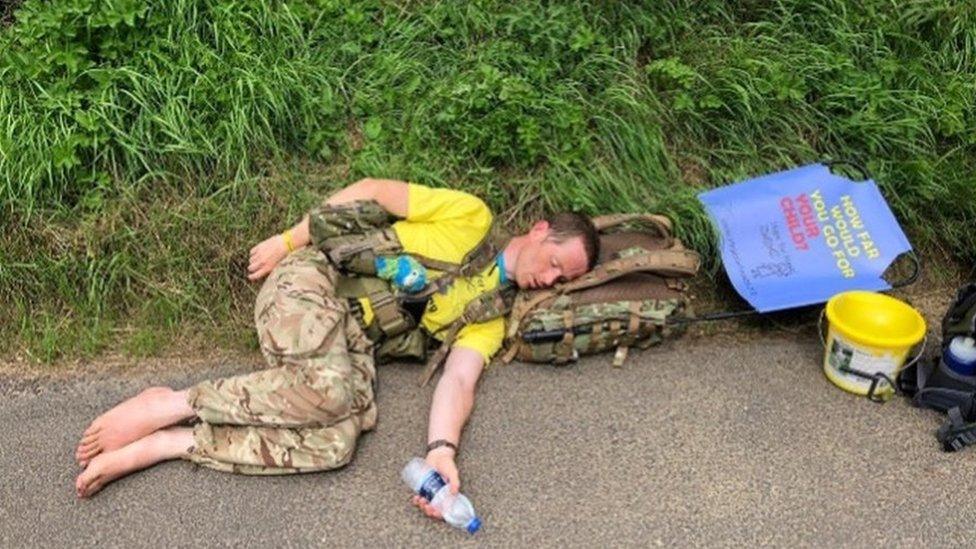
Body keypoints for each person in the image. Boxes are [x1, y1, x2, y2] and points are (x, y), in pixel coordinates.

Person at [73, 178, 599, 522]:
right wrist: (289, 240)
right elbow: (372, 193)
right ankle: (169, 403)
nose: (546, 280)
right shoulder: (471, 217)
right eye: (554, 263)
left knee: (337, 444)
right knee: (328, 389)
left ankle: (172, 443)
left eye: (560, 281)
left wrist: (443, 451)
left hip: (349, 345)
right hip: (311, 283)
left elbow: (458, 381)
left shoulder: (491, 317)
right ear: (539, 230)